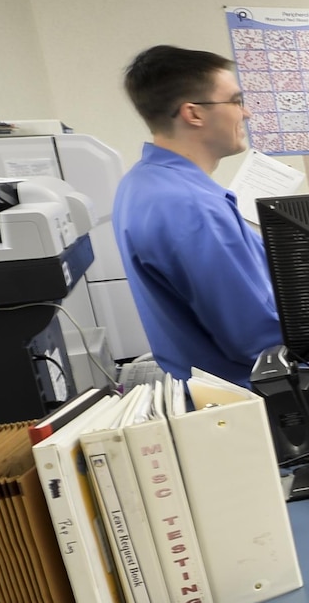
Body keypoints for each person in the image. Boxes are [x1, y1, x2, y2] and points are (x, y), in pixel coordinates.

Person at [114, 45, 282, 386]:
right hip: (255, 400)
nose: (246, 113)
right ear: (194, 114)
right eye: (235, 101)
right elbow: (257, 340)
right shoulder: (192, 207)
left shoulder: (142, 182)